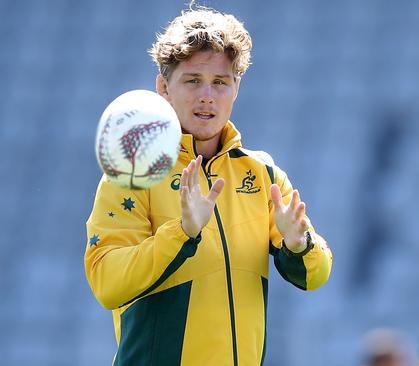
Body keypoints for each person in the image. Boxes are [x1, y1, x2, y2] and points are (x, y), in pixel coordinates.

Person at [84, 6, 333, 365]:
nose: (207, 96)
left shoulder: (263, 174)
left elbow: (316, 275)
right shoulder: (134, 171)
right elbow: (107, 283)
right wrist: (183, 232)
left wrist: (298, 243)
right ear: (163, 88)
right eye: (192, 80)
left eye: (220, 82)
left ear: (236, 88)